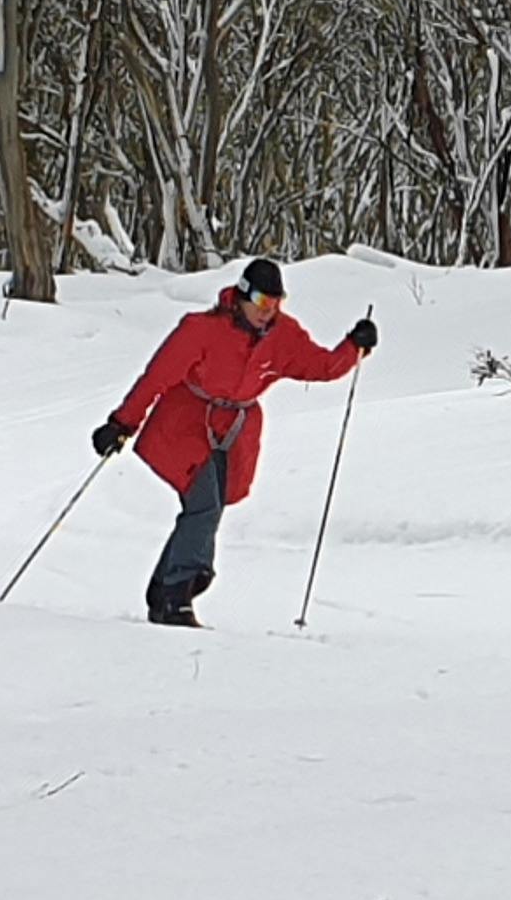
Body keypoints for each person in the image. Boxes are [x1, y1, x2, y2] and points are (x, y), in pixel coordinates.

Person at [94, 257, 376, 626]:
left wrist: (354, 346)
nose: (268, 311)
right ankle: (179, 591)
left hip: (235, 429)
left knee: (213, 503)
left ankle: (165, 588)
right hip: (184, 422)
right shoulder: (200, 330)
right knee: (204, 503)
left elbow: (320, 366)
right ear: (241, 296)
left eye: (276, 303)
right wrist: (121, 422)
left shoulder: (283, 335)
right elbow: (157, 377)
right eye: (261, 302)